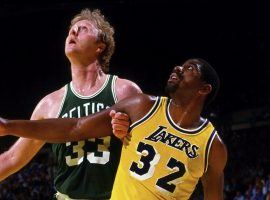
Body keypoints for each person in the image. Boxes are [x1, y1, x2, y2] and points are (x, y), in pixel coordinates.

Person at [0, 58, 227, 200]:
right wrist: (9, 126)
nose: (178, 67)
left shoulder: (212, 146)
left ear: (204, 89)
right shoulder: (142, 105)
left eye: (188, 68)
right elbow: (75, 128)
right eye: (180, 64)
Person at [0, 8, 141, 199]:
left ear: (100, 46)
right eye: (71, 31)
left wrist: (128, 136)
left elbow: (148, 147)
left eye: (83, 29)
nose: (73, 32)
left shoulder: (124, 90)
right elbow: (11, 158)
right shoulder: (50, 103)